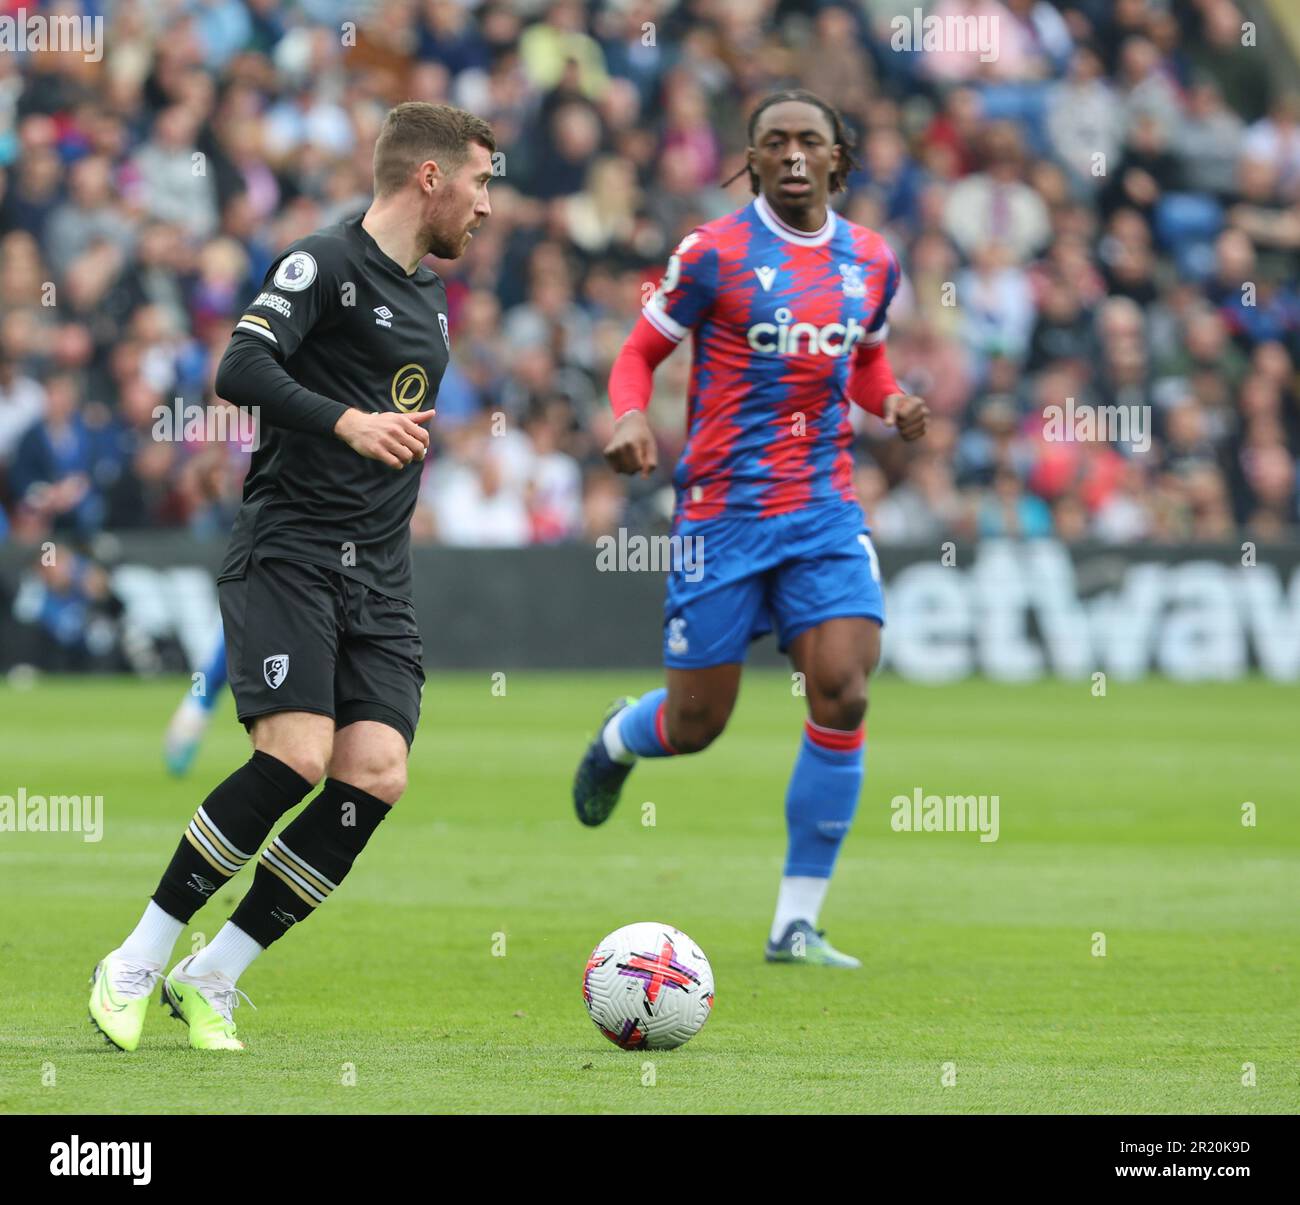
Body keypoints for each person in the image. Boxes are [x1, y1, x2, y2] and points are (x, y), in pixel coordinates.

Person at [88, 102, 495, 1052]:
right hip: (293, 550)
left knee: (376, 774)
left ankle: (213, 973)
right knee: (296, 756)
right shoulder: (322, 263)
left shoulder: (431, 296)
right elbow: (238, 365)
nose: (486, 205)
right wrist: (345, 421)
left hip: (379, 576)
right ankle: (136, 958)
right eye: (480, 180)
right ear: (429, 177)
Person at [572, 90, 928, 968]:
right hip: (721, 515)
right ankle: (623, 734)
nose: (796, 154)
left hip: (823, 509)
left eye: (812, 140)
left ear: (839, 157)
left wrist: (894, 401)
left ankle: (794, 923)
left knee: (843, 686)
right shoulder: (714, 252)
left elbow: (866, 360)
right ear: (754, 159)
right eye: (777, 142)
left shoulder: (872, 259)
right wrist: (626, 417)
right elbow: (637, 353)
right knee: (698, 724)